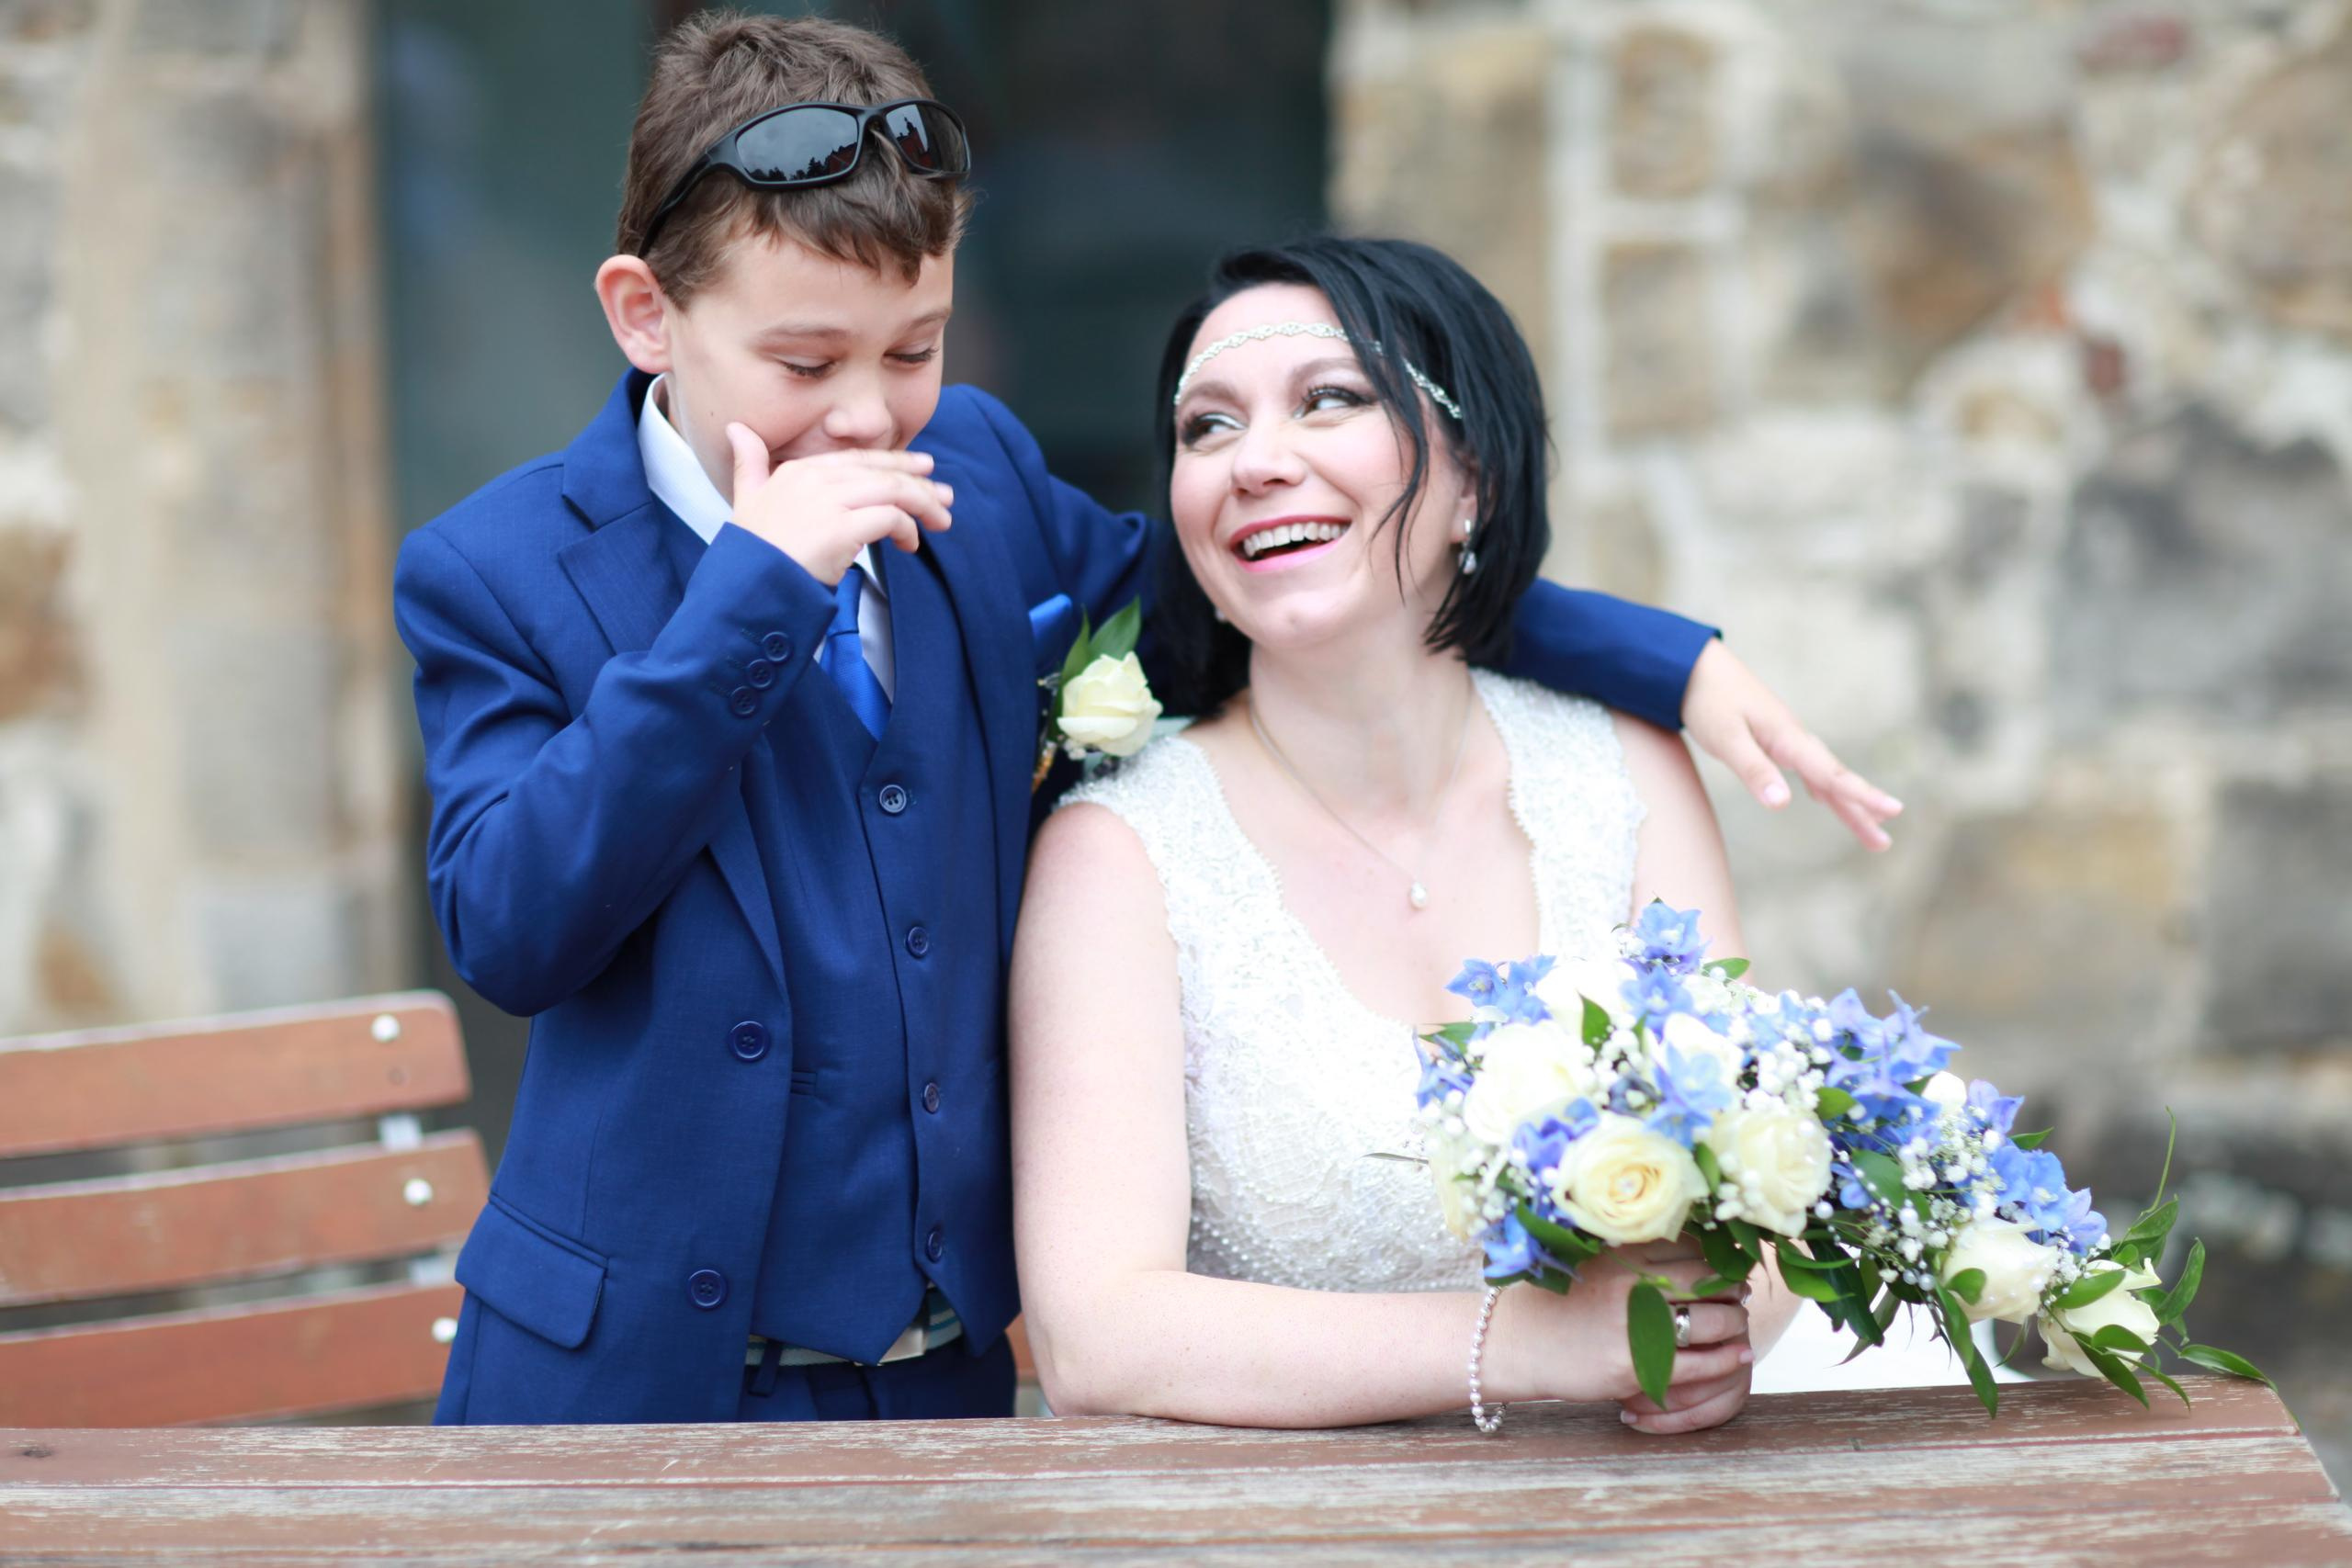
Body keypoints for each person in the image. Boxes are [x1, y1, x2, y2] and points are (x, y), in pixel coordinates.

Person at [397, 12, 1895, 1427]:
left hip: (937, 1387)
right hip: (609, 1394)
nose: (867, 414)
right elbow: (514, 926)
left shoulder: (972, 470)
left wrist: (1663, 664)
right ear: (644, 315)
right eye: (805, 365)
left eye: (912, 350)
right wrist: (747, 600)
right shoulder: (498, 569)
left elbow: (1252, 588)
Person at [1010, 237, 1822, 1433]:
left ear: (1474, 480)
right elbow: (1099, 1337)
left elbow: (1762, 1208)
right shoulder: (1118, 855)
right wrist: (1529, 1346)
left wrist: (1700, 1342)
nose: (1256, 462)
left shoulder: (1625, 777)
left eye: (1329, 401)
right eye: (1207, 428)